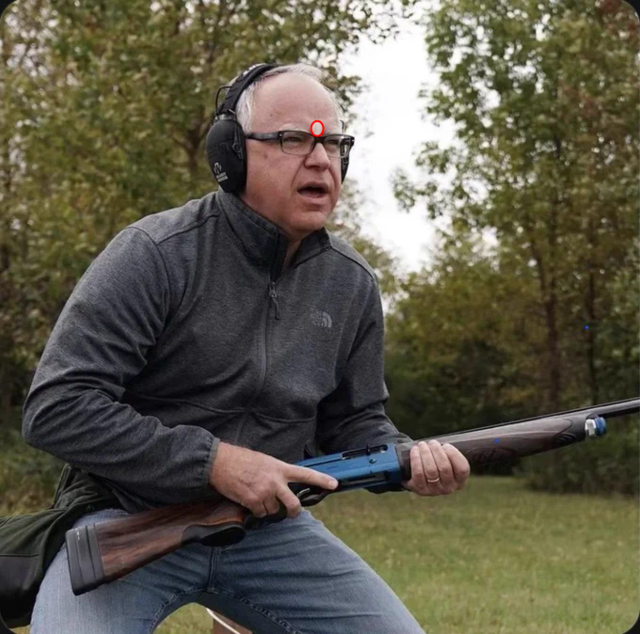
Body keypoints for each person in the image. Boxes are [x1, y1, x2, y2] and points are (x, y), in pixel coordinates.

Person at [21, 62, 470, 634]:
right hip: (125, 520)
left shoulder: (352, 283)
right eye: (293, 140)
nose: (321, 160)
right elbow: (56, 408)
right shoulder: (155, 253)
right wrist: (216, 463)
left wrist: (407, 459)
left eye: (334, 144)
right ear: (231, 155)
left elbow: (355, 421)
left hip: (270, 532)